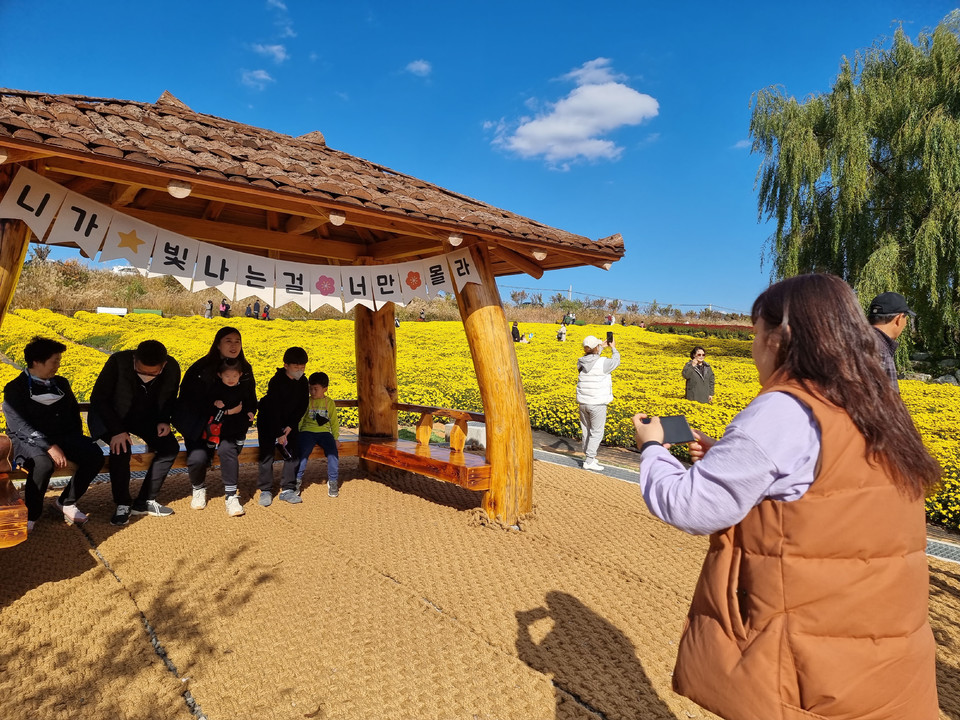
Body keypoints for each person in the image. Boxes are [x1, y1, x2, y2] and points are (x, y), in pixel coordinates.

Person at [632, 273, 941, 720]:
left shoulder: (786, 407)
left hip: (809, 660)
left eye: (757, 335)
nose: (755, 348)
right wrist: (729, 458)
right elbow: (824, 488)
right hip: (881, 651)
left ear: (781, 338)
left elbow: (690, 505)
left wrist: (652, 447)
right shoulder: (876, 405)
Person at [2, 337, 103, 530]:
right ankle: (31, 515)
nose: (58, 365)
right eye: (54, 361)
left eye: (58, 360)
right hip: (26, 440)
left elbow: (73, 414)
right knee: (43, 464)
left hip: (61, 435)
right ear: (36, 362)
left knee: (94, 454)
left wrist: (76, 441)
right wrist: (49, 446)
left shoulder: (61, 383)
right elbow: (19, 426)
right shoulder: (15, 388)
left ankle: (66, 502)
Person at [88, 340, 182, 526]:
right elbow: (99, 399)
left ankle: (145, 501)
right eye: (141, 371)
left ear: (163, 365)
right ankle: (122, 503)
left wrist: (164, 420)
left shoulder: (172, 368)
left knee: (170, 447)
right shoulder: (118, 362)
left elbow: (170, 396)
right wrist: (117, 431)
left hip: (146, 418)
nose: (146, 376)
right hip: (111, 416)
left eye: (152, 373)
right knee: (121, 448)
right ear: (134, 359)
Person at [173, 327, 257, 517]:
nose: (234, 345)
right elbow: (186, 399)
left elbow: (250, 398)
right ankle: (198, 488)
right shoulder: (201, 368)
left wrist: (248, 414)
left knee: (228, 452)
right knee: (197, 458)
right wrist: (206, 422)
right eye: (228, 340)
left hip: (230, 427)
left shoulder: (244, 368)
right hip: (200, 425)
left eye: (237, 341)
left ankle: (231, 496)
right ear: (218, 344)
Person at [256, 347, 309, 506]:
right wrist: (278, 432)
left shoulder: (303, 382)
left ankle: (288, 489)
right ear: (286, 366)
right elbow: (273, 409)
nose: (300, 370)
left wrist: (290, 426)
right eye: (296, 367)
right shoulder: (276, 381)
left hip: (289, 424)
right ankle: (265, 490)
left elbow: (302, 405)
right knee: (267, 455)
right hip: (269, 422)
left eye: (303, 367)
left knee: (293, 454)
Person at [576, 335, 620, 472]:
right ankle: (589, 460)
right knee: (596, 432)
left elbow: (591, 357)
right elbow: (616, 361)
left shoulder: (581, 362)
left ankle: (589, 456)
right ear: (596, 348)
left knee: (586, 430)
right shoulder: (603, 363)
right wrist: (613, 348)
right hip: (597, 403)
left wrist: (599, 345)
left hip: (583, 402)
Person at [296, 372, 341, 498]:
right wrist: (296, 434)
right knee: (303, 452)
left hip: (325, 433)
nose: (312, 391)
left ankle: (333, 481)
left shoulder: (330, 403)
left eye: (316, 389)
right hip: (307, 431)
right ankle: (297, 480)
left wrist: (336, 438)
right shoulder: (307, 401)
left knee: (333, 452)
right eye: (310, 388)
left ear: (325, 389)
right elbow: (300, 419)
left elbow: (334, 421)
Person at [867, 291, 915, 392]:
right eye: (905, 317)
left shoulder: (852, 342)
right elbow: (890, 403)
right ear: (898, 319)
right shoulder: (881, 352)